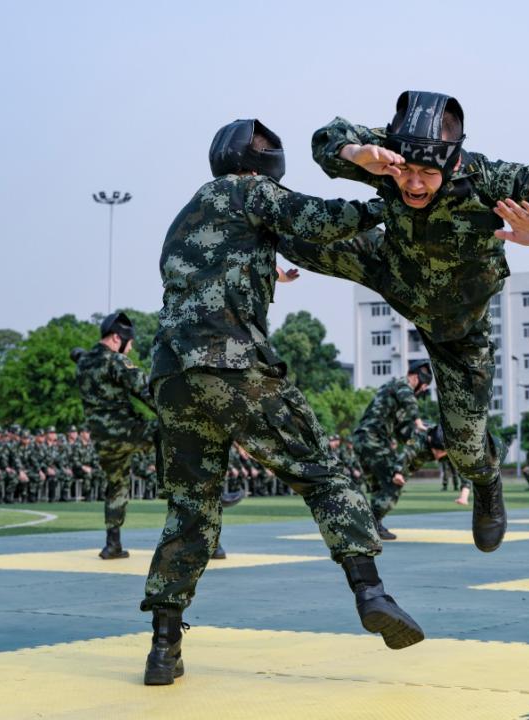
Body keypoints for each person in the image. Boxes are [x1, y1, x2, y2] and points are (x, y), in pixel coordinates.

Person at [141, 118, 424, 687]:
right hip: (232, 364)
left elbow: (210, 272)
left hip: (172, 374)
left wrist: (266, 271)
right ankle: (371, 592)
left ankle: (163, 648)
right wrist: (388, 199)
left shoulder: (189, 214)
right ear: (260, 161)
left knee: (191, 508)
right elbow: (319, 220)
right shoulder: (251, 190)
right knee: (323, 474)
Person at [292, 90, 529, 552]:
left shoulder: (489, 177)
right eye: (404, 171)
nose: (412, 184)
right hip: (390, 268)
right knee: (283, 224)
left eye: (426, 174)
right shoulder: (386, 156)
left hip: (458, 325)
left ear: (451, 163)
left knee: (466, 448)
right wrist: (356, 154)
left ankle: (487, 482)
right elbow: (327, 138)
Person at [73, 313, 158, 559]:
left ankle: (113, 544)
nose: (129, 349)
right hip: (126, 431)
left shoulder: (84, 361)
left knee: (116, 485)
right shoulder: (117, 362)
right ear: (115, 338)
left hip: (102, 440)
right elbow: (146, 391)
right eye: (128, 343)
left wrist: (80, 353)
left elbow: (77, 353)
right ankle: (169, 483)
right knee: (170, 431)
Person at [353, 360, 432, 540]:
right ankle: (370, 525)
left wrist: (419, 438)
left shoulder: (393, 394)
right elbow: (409, 400)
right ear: (415, 378)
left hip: (363, 440)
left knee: (378, 487)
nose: (423, 390)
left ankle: (372, 525)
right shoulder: (401, 385)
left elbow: (401, 430)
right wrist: (418, 422)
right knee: (393, 481)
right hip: (372, 439)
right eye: (424, 385)